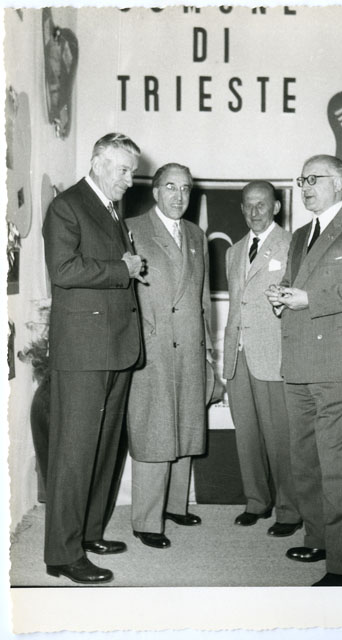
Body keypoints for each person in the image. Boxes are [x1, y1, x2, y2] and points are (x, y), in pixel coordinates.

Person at [266, 155, 342, 586]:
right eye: (301, 180)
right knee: (307, 463)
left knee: (340, 467)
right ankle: (318, 538)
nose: (305, 187)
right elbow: (299, 287)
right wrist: (282, 296)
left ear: (338, 182)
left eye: (313, 179)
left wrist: (309, 299)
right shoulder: (301, 234)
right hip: (300, 362)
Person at [42, 133, 145, 584]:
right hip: (84, 349)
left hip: (115, 345)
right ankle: (62, 555)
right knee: (75, 452)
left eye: (132, 172)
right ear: (98, 162)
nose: (130, 180)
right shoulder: (67, 206)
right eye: (123, 170)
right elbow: (63, 270)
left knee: (103, 449)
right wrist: (124, 269)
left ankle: (88, 533)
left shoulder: (109, 208)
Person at [127, 162, 212, 549]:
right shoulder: (132, 228)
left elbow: (202, 296)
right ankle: (146, 520)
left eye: (186, 188)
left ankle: (176, 505)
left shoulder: (196, 234)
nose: (179, 196)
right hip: (153, 345)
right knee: (154, 428)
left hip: (190, 345)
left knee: (185, 425)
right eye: (171, 187)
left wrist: (207, 349)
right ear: (156, 191)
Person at [223, 181, 302, 536]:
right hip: (238, 355)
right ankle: (256, 501)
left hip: (273, 356)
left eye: (262, 204)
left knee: (280, 438)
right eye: (249, 205)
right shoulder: (233, 251)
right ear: (242, 209)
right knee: (247, 436)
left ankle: (290, 509)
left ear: (276, 207)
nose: (255, 211)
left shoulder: (293, 244)